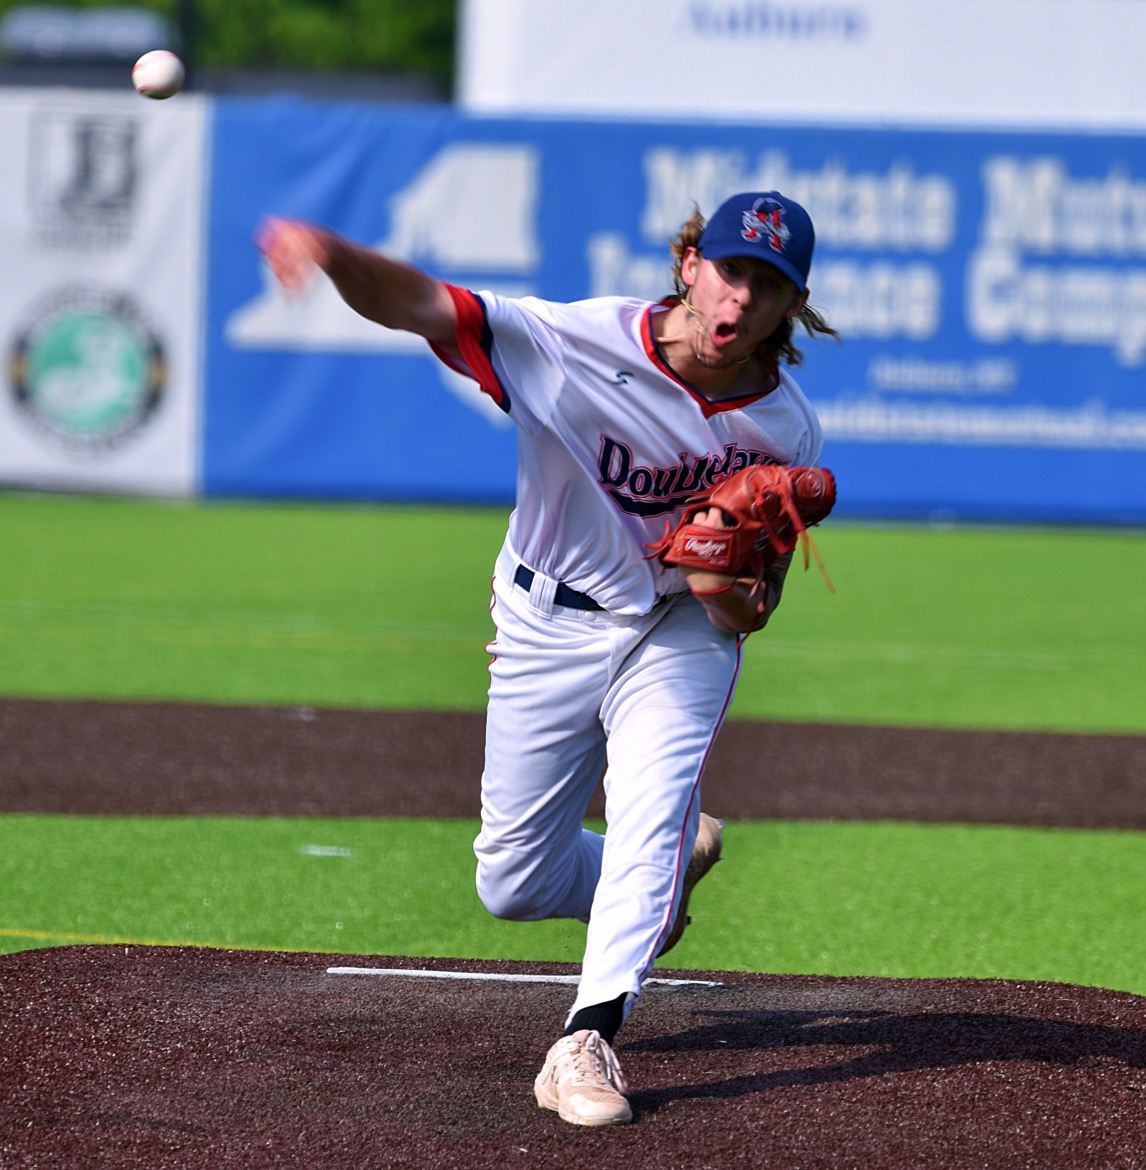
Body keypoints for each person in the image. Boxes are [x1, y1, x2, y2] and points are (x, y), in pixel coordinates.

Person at [257, 190, 838, 1126]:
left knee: (650, 808)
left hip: (673, 634)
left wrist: (724, 587)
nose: (740, 302)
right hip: (545, 618)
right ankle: (664, 870)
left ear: (791, 305)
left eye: (769, 287)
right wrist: (329, 252)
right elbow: (422, 305)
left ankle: (588, 1038)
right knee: (513, 881)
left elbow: (752, 609)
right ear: (690, 264)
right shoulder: (572, 342)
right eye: (731, 270)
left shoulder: (785, 429)